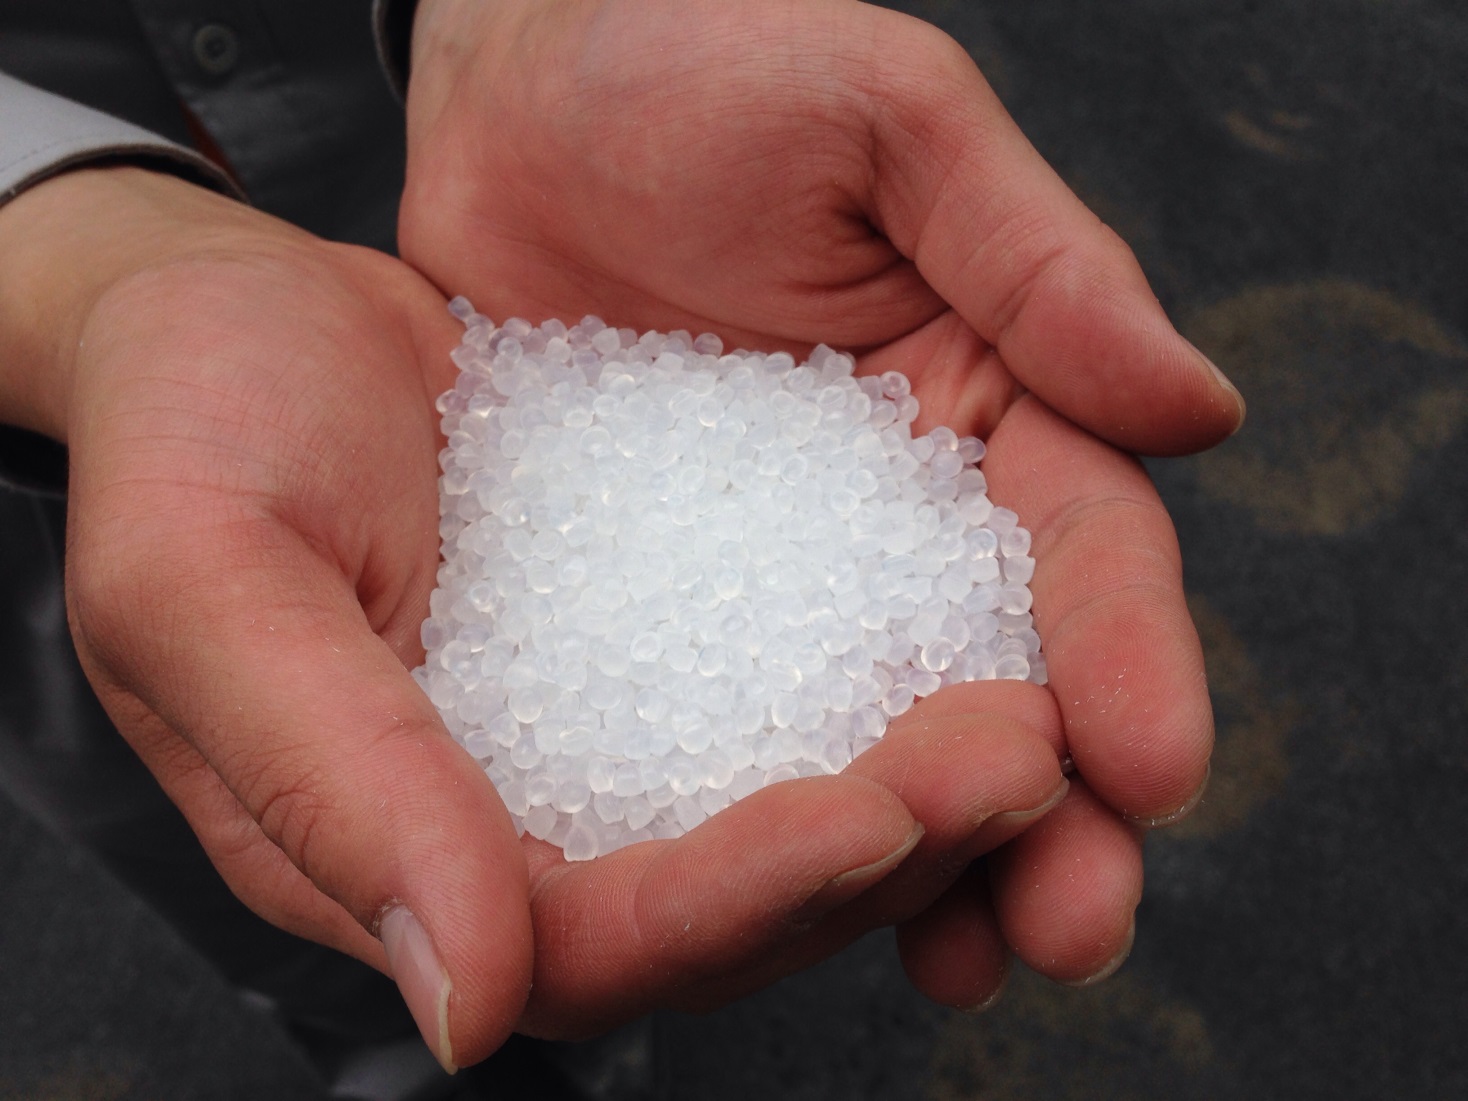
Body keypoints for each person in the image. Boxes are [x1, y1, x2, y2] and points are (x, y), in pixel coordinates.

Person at [0, 0, 1241, 1079]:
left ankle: (508, 1043)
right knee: (249, 814)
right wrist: (90, 273)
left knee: (454, 878)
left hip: (496, 139)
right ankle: (395, 1050)